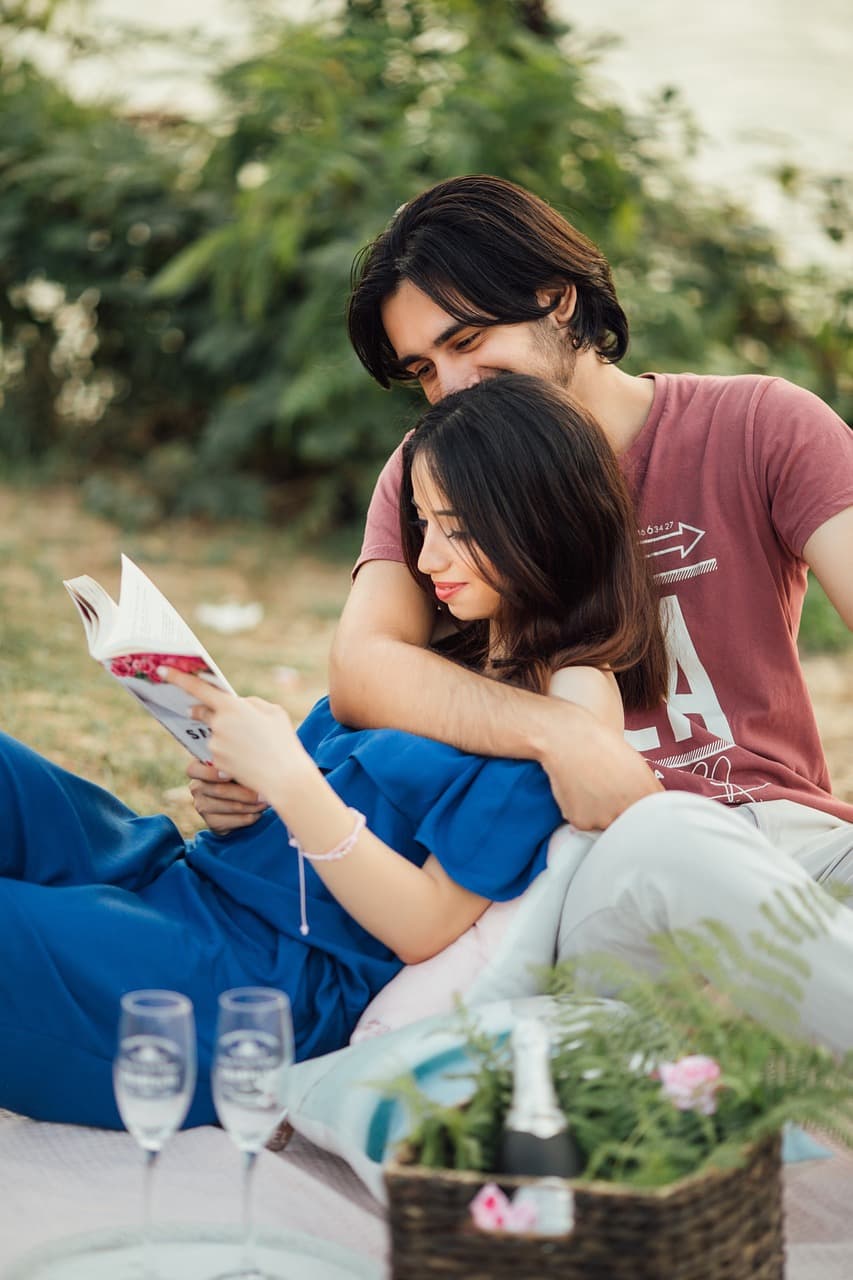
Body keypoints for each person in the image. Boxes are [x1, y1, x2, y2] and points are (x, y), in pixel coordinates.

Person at [187, 174, 853, 1051]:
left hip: (794, 844)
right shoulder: (435, 466)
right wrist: (563, 737)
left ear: (556, 298)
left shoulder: (758, 424)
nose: (453, 387)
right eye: (424, 370)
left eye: (467, 342)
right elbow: (363, 668)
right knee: (672, 839)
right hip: (605, 865)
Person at [0, 375, 667, 1130]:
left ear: (544, 522)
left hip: (256, 980)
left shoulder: (568, 695)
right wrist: (243, 801)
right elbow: (309, 811)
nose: (427, 559)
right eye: (422, 525)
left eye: (456, 529)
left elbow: (424, 923)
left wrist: (291, 780)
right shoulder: (437, 652)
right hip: (183, 878)